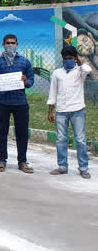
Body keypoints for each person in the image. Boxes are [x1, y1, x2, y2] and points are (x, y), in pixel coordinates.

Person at [0, 34, 35, 173]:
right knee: (1, 132)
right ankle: (1, 160)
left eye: (13, 43)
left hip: (20, 102)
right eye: (8, 43)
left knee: (22, 133)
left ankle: (22, 162)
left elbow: (31, 81)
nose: (10, 45)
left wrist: (25, 81)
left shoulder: (25, 62)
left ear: (17, 44)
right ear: (3, 44)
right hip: (2, 102)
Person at [48, 45, 92, 179]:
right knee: (61, 139)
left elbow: (88, 69)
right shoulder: (57, 73)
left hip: (77, 110)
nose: (68, 60)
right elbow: (53, 92)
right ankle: (62, 166)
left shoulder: (80, 72)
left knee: (80, 140)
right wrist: (50, 111)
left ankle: (83, 168)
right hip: (61, 110)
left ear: (75, 58)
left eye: (71, 58)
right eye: (66, 58)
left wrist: (77, 59)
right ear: (62, 58)